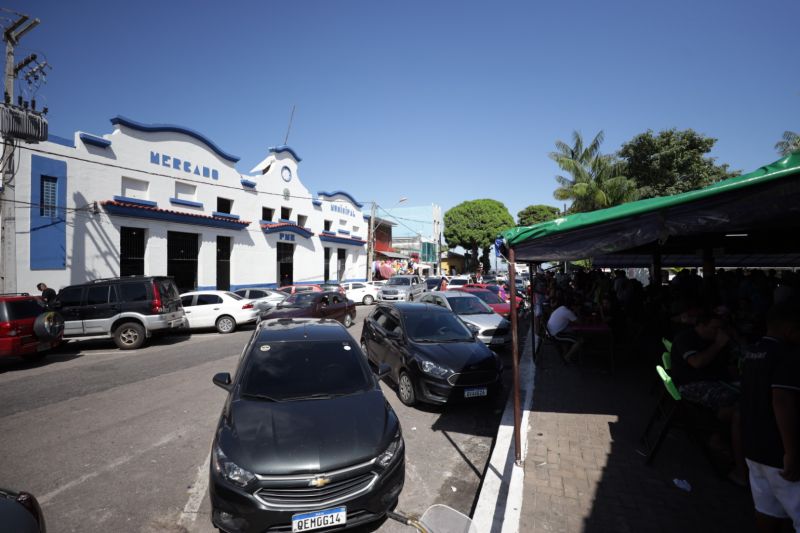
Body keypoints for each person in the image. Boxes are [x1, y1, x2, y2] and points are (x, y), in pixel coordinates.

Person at [741, 303, 800, 532]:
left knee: (766, 510)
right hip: (779, 452)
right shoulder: (787, 355)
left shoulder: (752, 353)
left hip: (754, 447)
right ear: (789, 328)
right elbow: (782, 400)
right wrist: (792, 452)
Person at [671, 312, 747, 484]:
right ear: (701, 325)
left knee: (740, 406)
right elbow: (697, 362)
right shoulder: (687, 338)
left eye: (721, 328)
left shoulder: (721, 342)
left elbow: (735, 363)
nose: (718, 332)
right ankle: (732, 453)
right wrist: (718, 345)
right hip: (691, 385)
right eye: (714, 327)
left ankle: (719, 438)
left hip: (717, 383)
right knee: (740, 408)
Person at [546, 299, 583, 363]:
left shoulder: (562, 308)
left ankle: (565, 353)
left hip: (551, 331)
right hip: (556, 334)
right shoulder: (568, 312)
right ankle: (567, 356)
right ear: (573, 306)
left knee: (571, 332)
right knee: (579, 341)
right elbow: (579, 322)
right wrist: (578, 311)